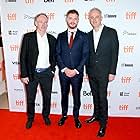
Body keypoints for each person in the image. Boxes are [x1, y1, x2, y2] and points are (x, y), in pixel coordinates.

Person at [85, 8, 119, 137]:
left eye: (96, 17)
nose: (94, 19)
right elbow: (87, 55)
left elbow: (115, 53)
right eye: (91, 17)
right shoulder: (87, 35)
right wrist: (86, 71)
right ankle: (96, 115)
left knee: (102, 97)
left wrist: (112, 71)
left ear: (101, 17)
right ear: (89, 19)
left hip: (105, 72)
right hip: (91, 72)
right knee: (95, 95)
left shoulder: (111, 32)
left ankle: (103, 123)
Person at [20, 13, 56, 129]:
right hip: (32, 73)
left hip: (47, 73)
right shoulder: (28, 37)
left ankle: (46, 116)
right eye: (40, 22)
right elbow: (23, 57)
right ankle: (30, 118)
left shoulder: (52, 39)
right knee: (30, 98)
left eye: (45, 22)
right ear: (35, 23)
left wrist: (52, 70)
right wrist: (24, 74)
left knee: (47, 97)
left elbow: (54, 57)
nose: (43, 24)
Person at [56, 9, 89, 128]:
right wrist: (64, 69)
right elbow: (57, 54)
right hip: (64, 73)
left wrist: (75, 70)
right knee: (64, 95)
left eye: (75, 18)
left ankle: (76, 117)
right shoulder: (60, 36)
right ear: (66, 19)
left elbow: (85, 55)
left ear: (78, 20)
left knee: (76, 96)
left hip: (77, 74)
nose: (72, 21)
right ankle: (64, 115)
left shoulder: (84, 36)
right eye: (70, 18)